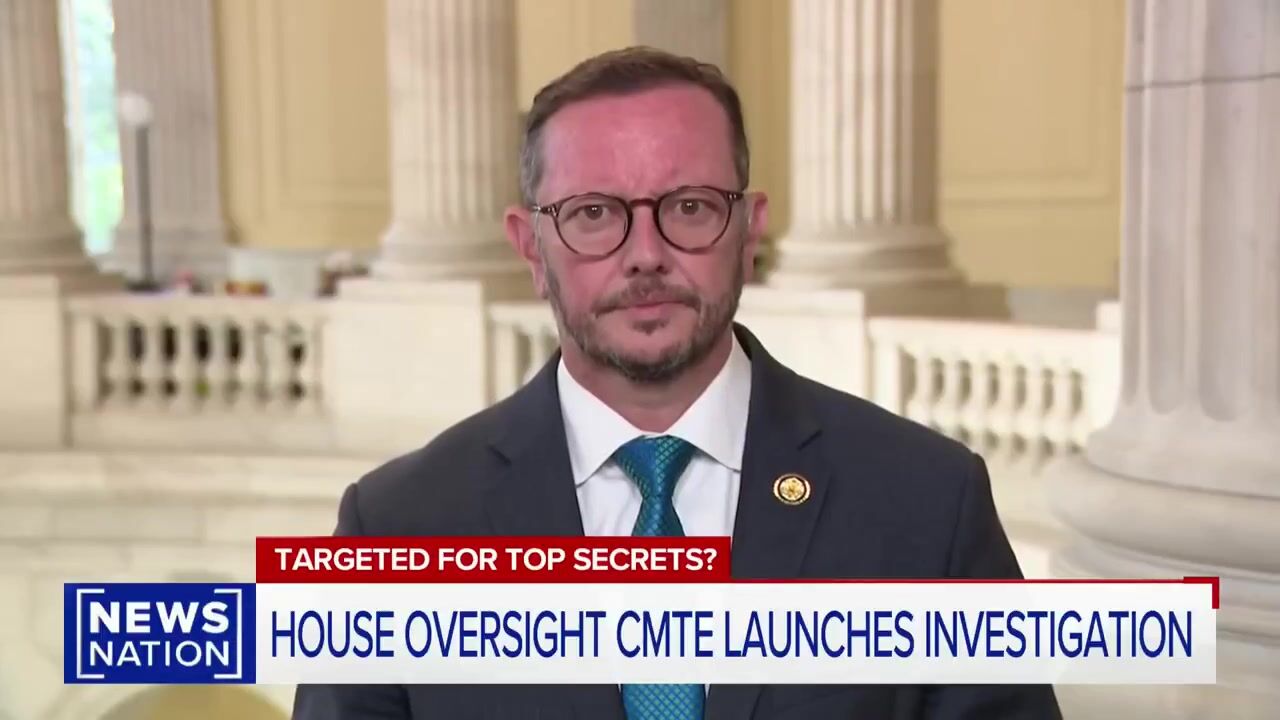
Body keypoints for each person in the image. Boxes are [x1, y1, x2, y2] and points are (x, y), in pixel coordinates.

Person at [293, 46, 1062, 720]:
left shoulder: (928, 503)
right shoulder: (396, 529)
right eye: (594, 214)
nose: (645, 253)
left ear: (749, 229)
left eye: (689, 207)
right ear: (531, 248)